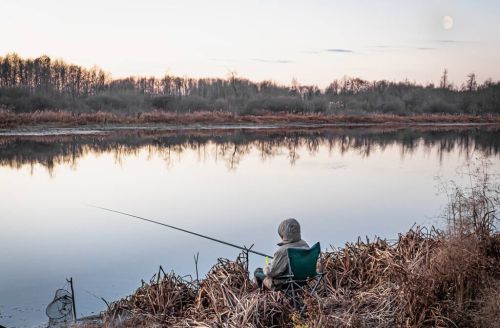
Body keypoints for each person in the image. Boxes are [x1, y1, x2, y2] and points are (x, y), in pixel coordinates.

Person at [254, 218, 309, 289]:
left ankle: (264, 296)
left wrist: (266, 267)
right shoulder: (304, 244)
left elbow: (272, 273)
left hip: (287, 283)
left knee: (258, 271)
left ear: (283, 233)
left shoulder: (283, 250)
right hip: (304, 280)